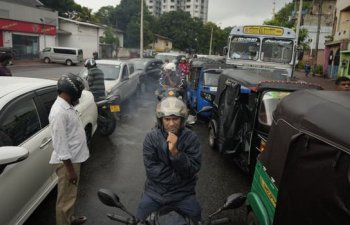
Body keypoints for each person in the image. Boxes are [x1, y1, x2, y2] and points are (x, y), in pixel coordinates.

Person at [136, 96, 202, 224]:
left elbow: (192, 169)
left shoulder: (191, 139)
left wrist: (175, 153)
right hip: (154, 193)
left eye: (175, 119)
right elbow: (153, 171)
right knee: (139, 219)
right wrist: (180, 175)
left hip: (183, 194)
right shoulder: (151, 138)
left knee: (196, 218)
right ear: (161, 120)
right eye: (167, 119)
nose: (171, 124)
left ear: (182, 119)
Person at [49, 73, 88, 225]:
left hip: (74, 159)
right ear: (72, 91)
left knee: (70, 196)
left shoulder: (66, 106)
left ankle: (69, 219)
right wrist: (70, 170)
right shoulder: (58, 112)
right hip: (68, 163)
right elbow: (60, 145)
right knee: (65, 200)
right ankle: (64, 221)